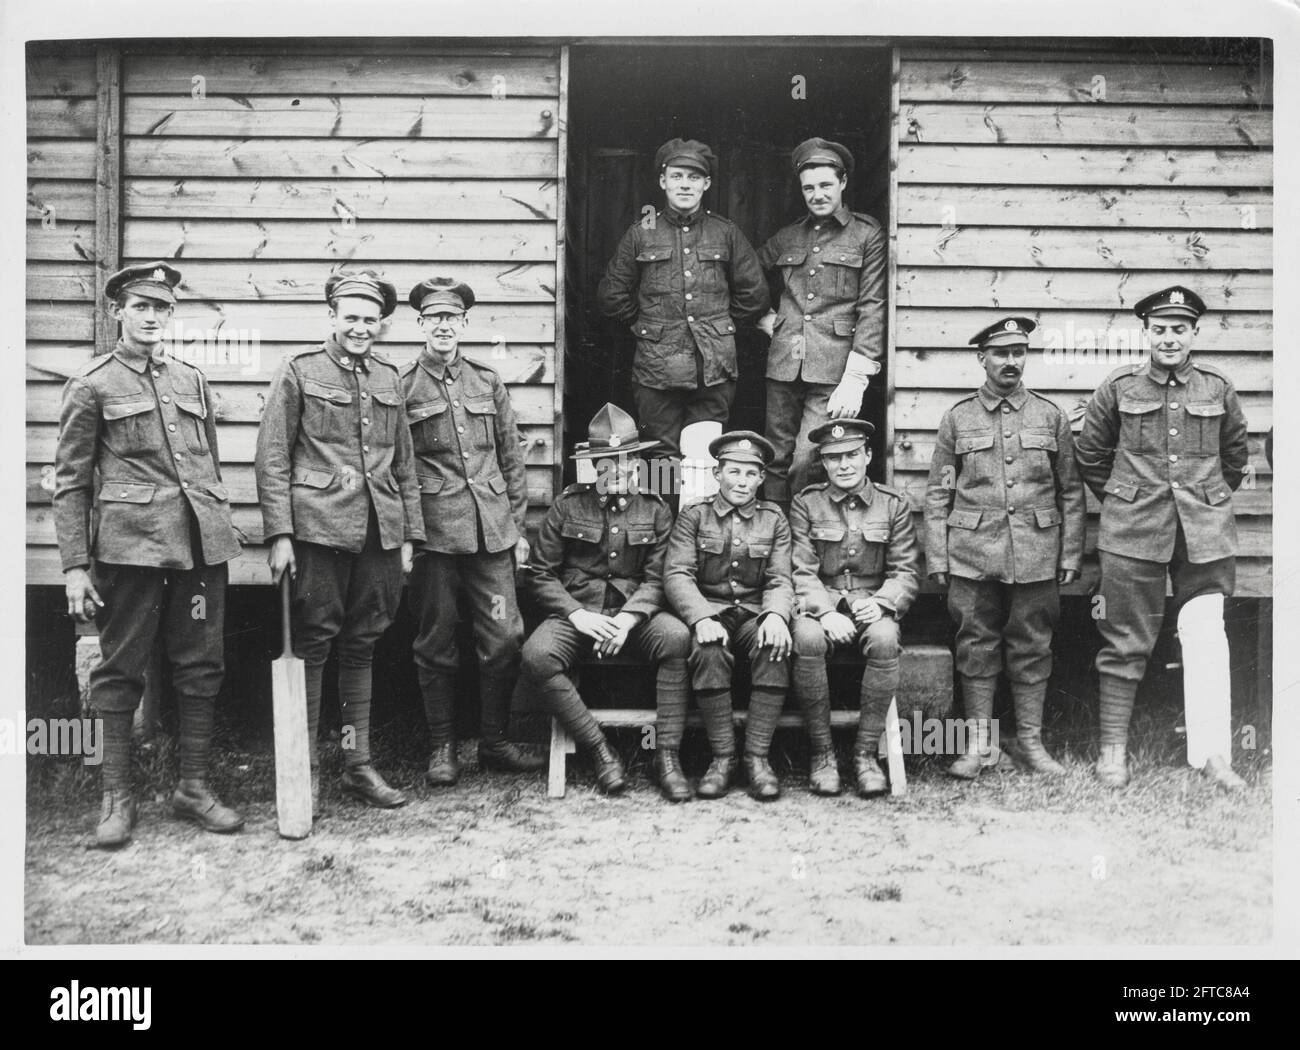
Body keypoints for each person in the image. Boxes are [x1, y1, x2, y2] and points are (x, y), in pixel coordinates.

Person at [56, 261, 245, 847]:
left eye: (161, 308)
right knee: (120, 668)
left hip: (198, 548)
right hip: (130, 550)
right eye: (141, 306)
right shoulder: (91, 384)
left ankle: (193, 786)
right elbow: (71, 483)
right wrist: (74, 566)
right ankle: (118, 799)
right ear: (119, 312)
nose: (152, 317)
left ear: (171, 314)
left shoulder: (190, 380)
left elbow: (205, 464)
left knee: (200, 662)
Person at [255, 270, 423, 812]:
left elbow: (405, 465)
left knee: (363, 642)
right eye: (350, 317)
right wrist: (280, 534)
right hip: (319, 529)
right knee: (314, 642)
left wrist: (407, 536)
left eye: (370, 320)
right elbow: (273, 456)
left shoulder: (389, 378)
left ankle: (357, 765)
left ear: (382, 324)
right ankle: (302, 767)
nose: (360, 328)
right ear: (331, 316)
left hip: (379, 532)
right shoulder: (300, 371)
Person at [1075, 286, 1250, 791]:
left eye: (1179, 329)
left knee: (1206, 638)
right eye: (1160, 329)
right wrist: (1124, 499)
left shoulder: (1218, 387)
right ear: (1146, 333)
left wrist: (1206, 497)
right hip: (1133, 531)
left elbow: (1235, 457)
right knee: (1123, 638)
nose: (1169, 338)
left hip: (1204, 533)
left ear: (1195, 334)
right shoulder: (1119, 387)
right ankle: (1113, 751)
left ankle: (1214, 755)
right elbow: (1091, 455)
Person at [924, 317, 1086, 778]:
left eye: (1018, 352)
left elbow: (1071, 491)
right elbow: (939, 492)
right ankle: (977, 745)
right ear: (982, 359)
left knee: (1033, 645)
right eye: (1001, 353)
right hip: (972, 555)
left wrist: (1070, 554)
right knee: (975, 645)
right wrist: (939, 557)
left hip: (1036, 552)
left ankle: (1030, 742)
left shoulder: (1049, 416)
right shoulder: (958, 418)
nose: (1011, 361)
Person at [401, 277, 543, 785]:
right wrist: (408, 537)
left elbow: (511, 459)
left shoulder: (487, 381)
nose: (443, 326)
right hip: (434, 538)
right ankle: (442, 748)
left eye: (452, 318)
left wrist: (519, 528)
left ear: (464, 323)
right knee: (435, 640)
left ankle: (494, 742)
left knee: (505, 638)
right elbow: (398, 467)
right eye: (434, 318)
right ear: (420, 324)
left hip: (492, 535)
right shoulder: (402, 387)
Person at [516, 404, 691, 797]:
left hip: (635, 615)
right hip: (579, 612)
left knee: (677, 640)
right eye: (606, 464)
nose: (618, 472)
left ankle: (666, 757)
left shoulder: (657, 509)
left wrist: (628, 620)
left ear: (640, 463)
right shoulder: (568, 504)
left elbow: (659, 577)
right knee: (537, 655)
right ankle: (600, 750)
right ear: (594, 467)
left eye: (627, 462)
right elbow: (541, 573)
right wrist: (577, 615)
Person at [596, 138, 768, 461]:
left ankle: (697, 514)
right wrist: (646, 324)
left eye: (693, 177)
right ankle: (662, 513)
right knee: (659, 454)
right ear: (663, 182)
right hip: (655, 369)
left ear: (707, 183)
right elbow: (612, 296)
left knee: (705, 454)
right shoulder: (641, 233)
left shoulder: (726, 233)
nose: (685, 185)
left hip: (713, 368)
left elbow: (754, 296)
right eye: (676, 176)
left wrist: (718, 324)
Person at [789, 419, 919, 797]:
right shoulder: (806, 503)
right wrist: (827, 610)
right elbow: (801, 568)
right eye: (833, 458)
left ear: (868, 456)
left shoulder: (893, 504)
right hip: (820, 605)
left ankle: (865, 756)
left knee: (884, 639)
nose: (844, 465)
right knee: (808, 638)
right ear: (823, 464)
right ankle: (823, 755)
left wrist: (881, 604)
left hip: (872, 606)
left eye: (851, 455)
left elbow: (906, 570)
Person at [664, 431, 794, 800]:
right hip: (712, 612)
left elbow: (780, 577)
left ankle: (757, 759)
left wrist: (775, 616)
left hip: (755, 614)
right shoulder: (694, 515)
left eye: (750, 474)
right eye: (733, 472)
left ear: (762, 478)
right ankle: (723, 758)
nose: (741, 481)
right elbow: (677, 574)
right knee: (708, 651)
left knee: (775, 646)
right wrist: (701, 617)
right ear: (717, 474)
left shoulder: (774, 519)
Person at [756, 138, 886, 506]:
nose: (817, 194)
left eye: (826, 185)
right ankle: (778, 545)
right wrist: (761, 317)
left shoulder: (866, 234)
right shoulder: (788, 236)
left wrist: (857, 377)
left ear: (843, 183)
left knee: (806, 459)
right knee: (776, 458)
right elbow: (743, 274)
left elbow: (873, 305)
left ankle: (806, 542)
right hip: (783, 363)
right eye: (808, 187)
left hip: (834, 368)